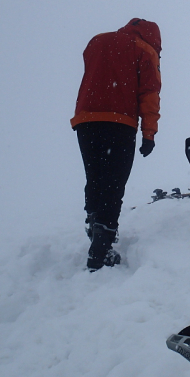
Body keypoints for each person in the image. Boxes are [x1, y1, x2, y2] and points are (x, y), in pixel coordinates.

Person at [71, 18, 162, 271]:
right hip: (119, 123)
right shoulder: (146, 50)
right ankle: (100, 252)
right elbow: (149, 93)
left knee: (95, 177)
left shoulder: (97, 41)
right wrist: (149, 134)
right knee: (113, 184)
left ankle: (94, 224)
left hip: (86, 121)